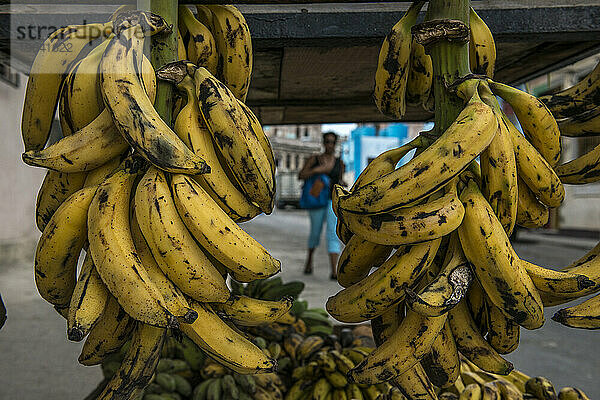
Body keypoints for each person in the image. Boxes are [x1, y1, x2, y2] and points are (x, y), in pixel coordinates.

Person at [298, 131, 345, 280]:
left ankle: (334, 271)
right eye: (327, 141)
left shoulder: (340, 162)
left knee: (333, 233)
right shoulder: (315, 159)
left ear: (336, 143)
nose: (329, 145)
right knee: (315, 232)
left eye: (332, 142)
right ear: (323, 143)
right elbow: (301, 175)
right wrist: (318, 170)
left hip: (332, 200)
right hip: (317, 200)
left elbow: (340, 180)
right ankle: (309, 262)